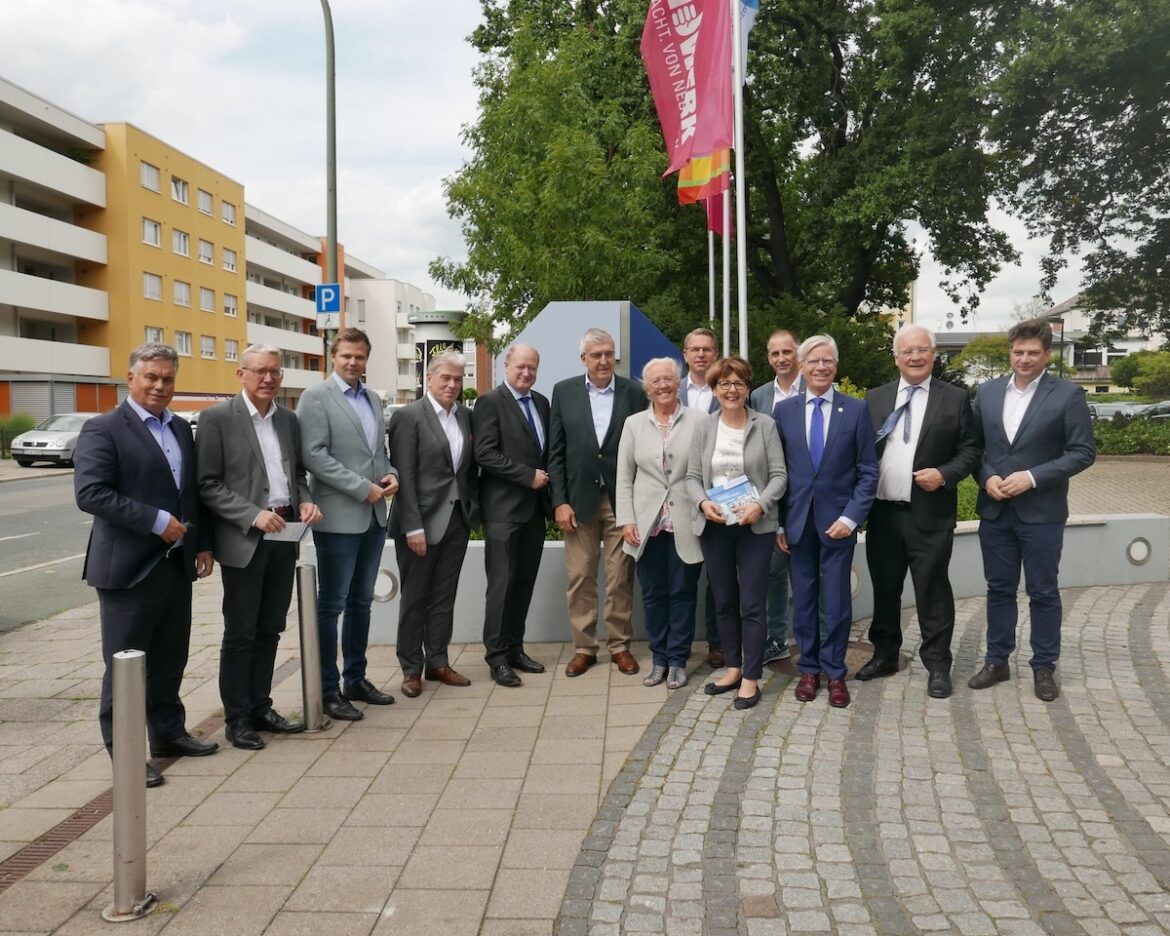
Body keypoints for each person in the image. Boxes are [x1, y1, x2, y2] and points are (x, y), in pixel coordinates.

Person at [74, 343, 217, 788]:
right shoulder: (103, 429)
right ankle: (127, 757)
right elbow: (91, 493)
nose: (159, 385)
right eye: (150, 377)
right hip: (127, 568)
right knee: (125, 669)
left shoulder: (180, 428)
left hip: (176, 567)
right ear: (131, 378)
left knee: (170, 659)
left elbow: (188, 493)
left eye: (167, 378)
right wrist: (156, 522)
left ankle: (169, 734)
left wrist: (202, 544)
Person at [197, 344, 322, 750]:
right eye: (261, 371)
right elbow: (208, 485)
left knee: (271, 627)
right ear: (241, 374)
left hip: (285, 534)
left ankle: (260, 706)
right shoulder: (217, 419)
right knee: (241, 632)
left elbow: (296, 472)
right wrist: (252, 513)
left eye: (275, 372)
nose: (269, 378)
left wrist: (304, 499)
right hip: (245, 538)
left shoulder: (288, 419)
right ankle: (237, 719)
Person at [968, 318, 1095, 701]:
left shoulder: (1067, 395)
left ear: (1046, 354)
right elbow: (975, 447)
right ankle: (997, 661)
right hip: (996, 510)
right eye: (1018, 352)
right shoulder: (987, 392)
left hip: (1042, 512)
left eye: (1033, 353)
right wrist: (986, 476)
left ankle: (1044, 667)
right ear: (1010, 352)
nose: (1024, 359)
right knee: (999, 589)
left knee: (1043, 591)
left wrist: (1032, 477)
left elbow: (1083, 452)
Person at [861, 326, 981, 699]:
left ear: (933, 355)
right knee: (884, 589)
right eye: (907, 351)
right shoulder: (874, 398)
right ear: (895, 357)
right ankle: (884, 654)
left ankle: (938, 665)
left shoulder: (956, 399)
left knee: (932, 591)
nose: (915, 357)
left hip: (928, 513)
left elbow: (972, 450)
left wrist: (945, 475)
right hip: (882, 514)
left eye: (922, 350)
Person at [298, 328, 398, 721]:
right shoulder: (316, 398)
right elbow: (314, 456)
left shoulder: (372, 398)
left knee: (361, 603)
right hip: (339, 517)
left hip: (374, 516)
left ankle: (356, 678)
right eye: (346, 356)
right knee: (332, 605)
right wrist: (364, 489)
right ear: (332, 357)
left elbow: (379, 452)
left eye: (359, 357)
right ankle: (326, 689)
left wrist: (390, 474)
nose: (353, 362)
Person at [774, 335, 878, 708]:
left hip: (838, 525)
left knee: (835, 601)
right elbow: (778, 472)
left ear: (836, 366)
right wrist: (781, 523)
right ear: (801, 366)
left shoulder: (855, 410)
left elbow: (868, 471)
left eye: (828, 360)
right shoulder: (784, 412)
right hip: (797, 525)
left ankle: (835, 673)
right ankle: (809, 669)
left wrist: (851, 518)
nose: (821, 367)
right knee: (802, 601)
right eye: (813, 360)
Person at [686, 356, 787, 710]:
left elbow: (779, 476)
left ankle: (751, 677)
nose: (731, 390)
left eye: (738, 383)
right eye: (724, 384)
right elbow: (692, 478)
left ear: (747, 388)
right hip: (715, 527)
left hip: (754, 527)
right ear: (714, 389)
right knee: (724, 600)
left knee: (752, 604)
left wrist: (760, 504)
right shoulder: (704, 427)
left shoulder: (766, 425)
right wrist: (702, 504)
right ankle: (732, 667)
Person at [549, 328, 648, 677]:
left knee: (620, 576)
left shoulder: (634, 392)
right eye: (596, 355)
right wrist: (559, 501)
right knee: (580, 577)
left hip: (623, 500)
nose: (604, 360)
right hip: (578, 501)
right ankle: (584, 647)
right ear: (584, 359)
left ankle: (620, 645)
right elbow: (555, 453)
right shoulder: (564, 392)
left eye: (609, 353)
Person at [387, 349, 478, 698]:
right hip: (420, 523)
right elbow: (404, 475)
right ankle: (411, 668)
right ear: (429, 379)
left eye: (458, 379)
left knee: (444, 596)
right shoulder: (409, 417)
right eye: (446, 378)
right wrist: (412, 527)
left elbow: (466, 470)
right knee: (415, 597)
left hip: (457, 520)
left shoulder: (466, 417)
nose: (453, 385)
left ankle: (437, 661)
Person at [616, 358, 703, 690]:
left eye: (669, 379)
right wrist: (626, 519)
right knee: (653, 594)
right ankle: (660, 659)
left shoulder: (699, 420)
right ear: (647, 387)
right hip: (646, 524)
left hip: (685, 520)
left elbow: (705, 471)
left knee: (683, 593)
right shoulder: (634, 424)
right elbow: (624, 477)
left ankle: (679, 660)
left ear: (678, 382)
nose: (664, 385)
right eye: (656, 381)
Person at [473, 343, 552, 688]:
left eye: (532, 368)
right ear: (506, 365)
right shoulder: (490, 402)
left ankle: (516, 649)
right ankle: (497, 658)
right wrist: (527, 475)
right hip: (503, 511)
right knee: (501, 586)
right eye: (520, 367)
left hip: (534, 512)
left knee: (523, 584)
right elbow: (484, 453)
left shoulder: (541, 403)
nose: (526, 373)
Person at [749, 328, 804, 665]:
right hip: (770, 497)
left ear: (797, 353)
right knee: (772, 573)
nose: (781, 359)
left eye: (787, 352)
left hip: (805, 493)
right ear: (768, 358)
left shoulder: (814, 387)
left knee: (812, 573)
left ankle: (817, 640)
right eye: (775, 354)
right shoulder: (758, 397)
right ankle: (776, 639)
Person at [678, 326, 725, 668]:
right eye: (694, 349)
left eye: (707, 349)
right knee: (684, 575)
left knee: (719, 577)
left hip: (719, 495)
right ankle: (678, 646)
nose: (700, 355)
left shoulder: (728, 388)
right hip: (679, 497)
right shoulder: (670, 389)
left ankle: (718, 643)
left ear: (715, 354)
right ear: (685, 354)